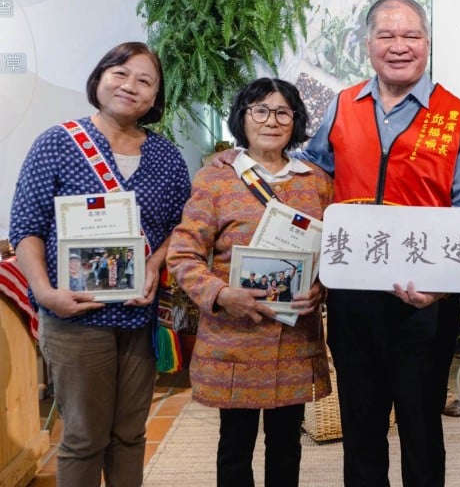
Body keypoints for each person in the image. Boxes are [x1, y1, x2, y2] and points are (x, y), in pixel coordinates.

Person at [301, 0, 460, 486]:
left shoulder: (457, 117)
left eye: (411, 35)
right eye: (386, 35)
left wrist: (443, 286)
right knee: (360, 428)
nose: (399, 46)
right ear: (368, 44)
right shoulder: (343, 106)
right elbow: (312, 180)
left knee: (421, 428)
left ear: (427, 44)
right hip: (352, 296)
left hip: (424, 302)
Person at [9, 41, 191, 487]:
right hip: (75, 314)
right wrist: (45, 292)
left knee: (129, 434)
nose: (130, 86)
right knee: (84, 437)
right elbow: (26, 228)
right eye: (120, 73)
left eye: (145, 81)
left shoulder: (166, 156)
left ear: (155, 98)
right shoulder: (57, 143)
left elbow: (182, 226)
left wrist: (153, 267)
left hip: (138, 317)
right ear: (100, 78)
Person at [166, 77, 332, 487]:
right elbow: (183, 254)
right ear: (243, 117)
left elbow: (333, 254)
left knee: (286, 446)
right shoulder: (216, 179)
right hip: (234, 340)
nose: (271, 121)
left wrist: (321, 287)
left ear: (296, 120)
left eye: (282, 112)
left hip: (294, 341)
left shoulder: (315, 181)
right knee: (234, 448)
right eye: (260, 110)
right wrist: (222, 294)